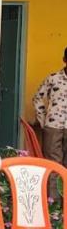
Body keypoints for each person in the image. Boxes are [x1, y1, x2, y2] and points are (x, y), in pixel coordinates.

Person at [33, 46, 67, 174]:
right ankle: (53, 195)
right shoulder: (53, 78)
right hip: (53, 126)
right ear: (64, 59)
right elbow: (37, 98)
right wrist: (43, 120)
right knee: (53, 165)